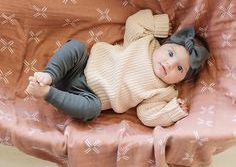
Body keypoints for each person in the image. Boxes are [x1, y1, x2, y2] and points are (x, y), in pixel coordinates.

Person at [26, 9, 209, 127]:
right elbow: (134, 22)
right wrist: (159, 25)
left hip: (88, 97)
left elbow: (147, 115)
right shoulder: (145, 42)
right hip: (81, 66)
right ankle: (49, 75)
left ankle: (47, 93)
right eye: (170, 53)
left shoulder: (165, 92)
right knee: (76, 47)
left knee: (91, 111)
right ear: (163, 45)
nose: (169, 64)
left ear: (183, 79)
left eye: (179, 68)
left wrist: (172, 110)